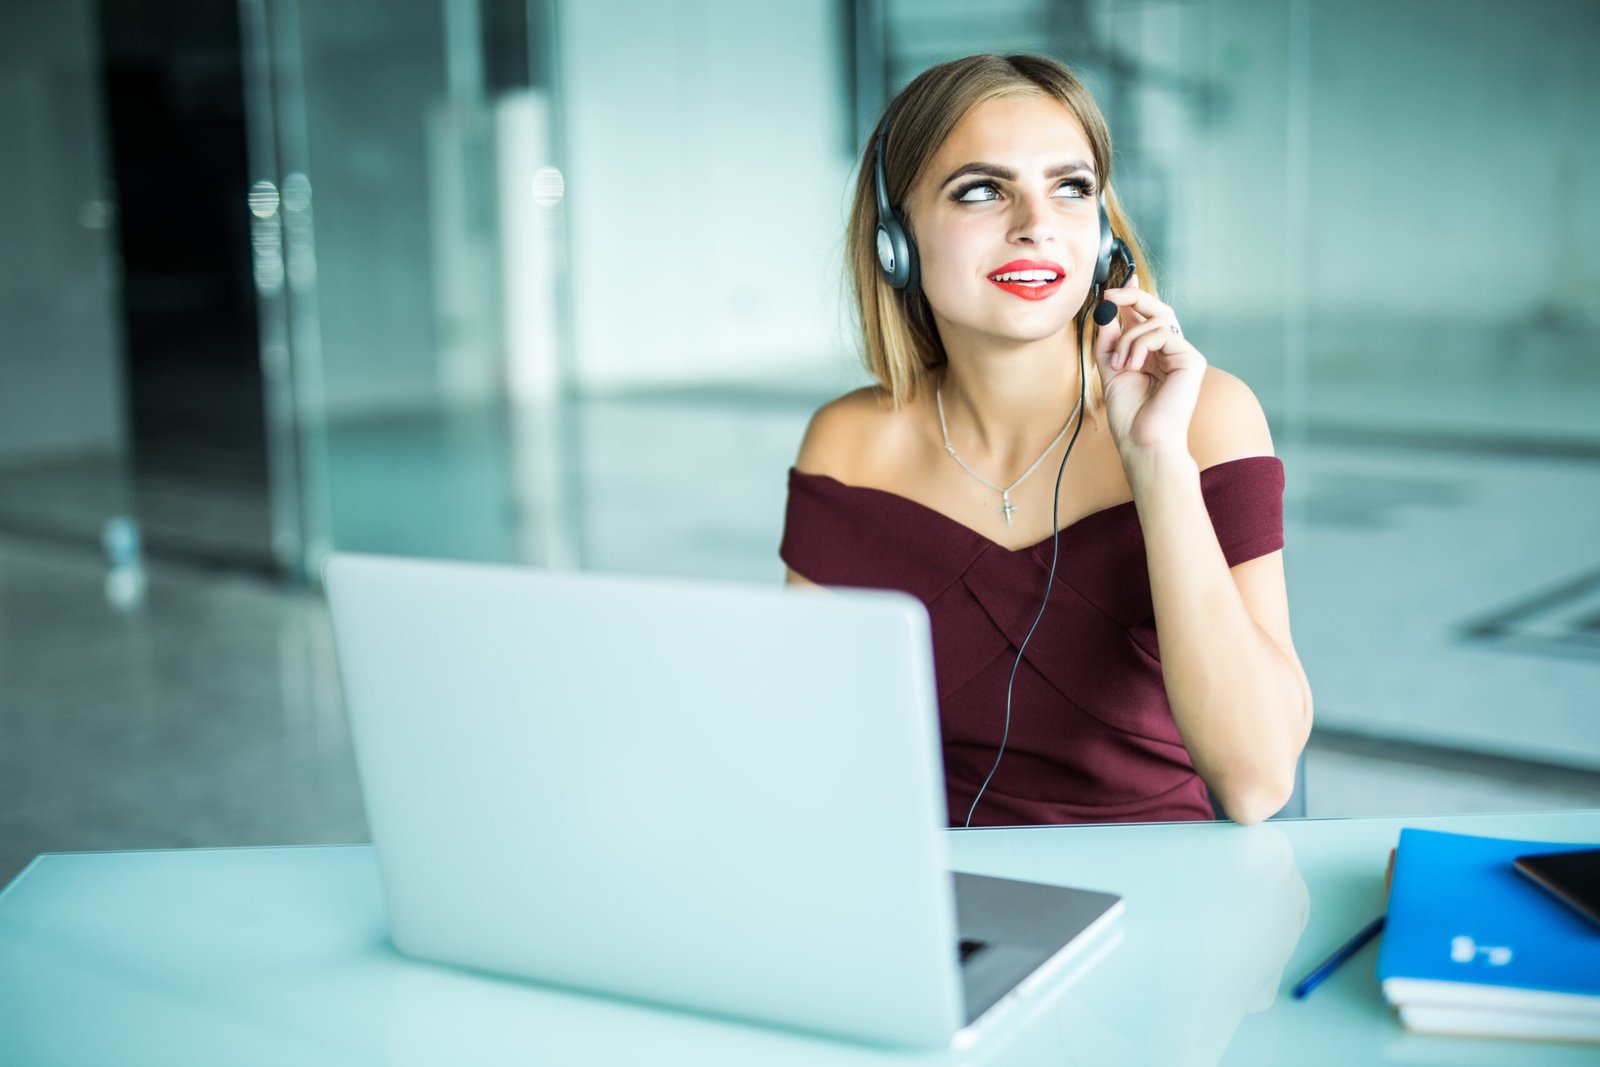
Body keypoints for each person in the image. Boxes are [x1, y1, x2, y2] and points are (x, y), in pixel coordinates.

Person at [780, 54, 1312, 827]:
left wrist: (1156, 461)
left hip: (1165, 885)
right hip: (926, 886)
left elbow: (1257, 783)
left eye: (1071, 187)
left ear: (1103, 234)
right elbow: (811, 746)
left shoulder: (1206, 417)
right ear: (897, 239)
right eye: (982, 190)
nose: (1037, 224)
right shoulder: (850, 444)